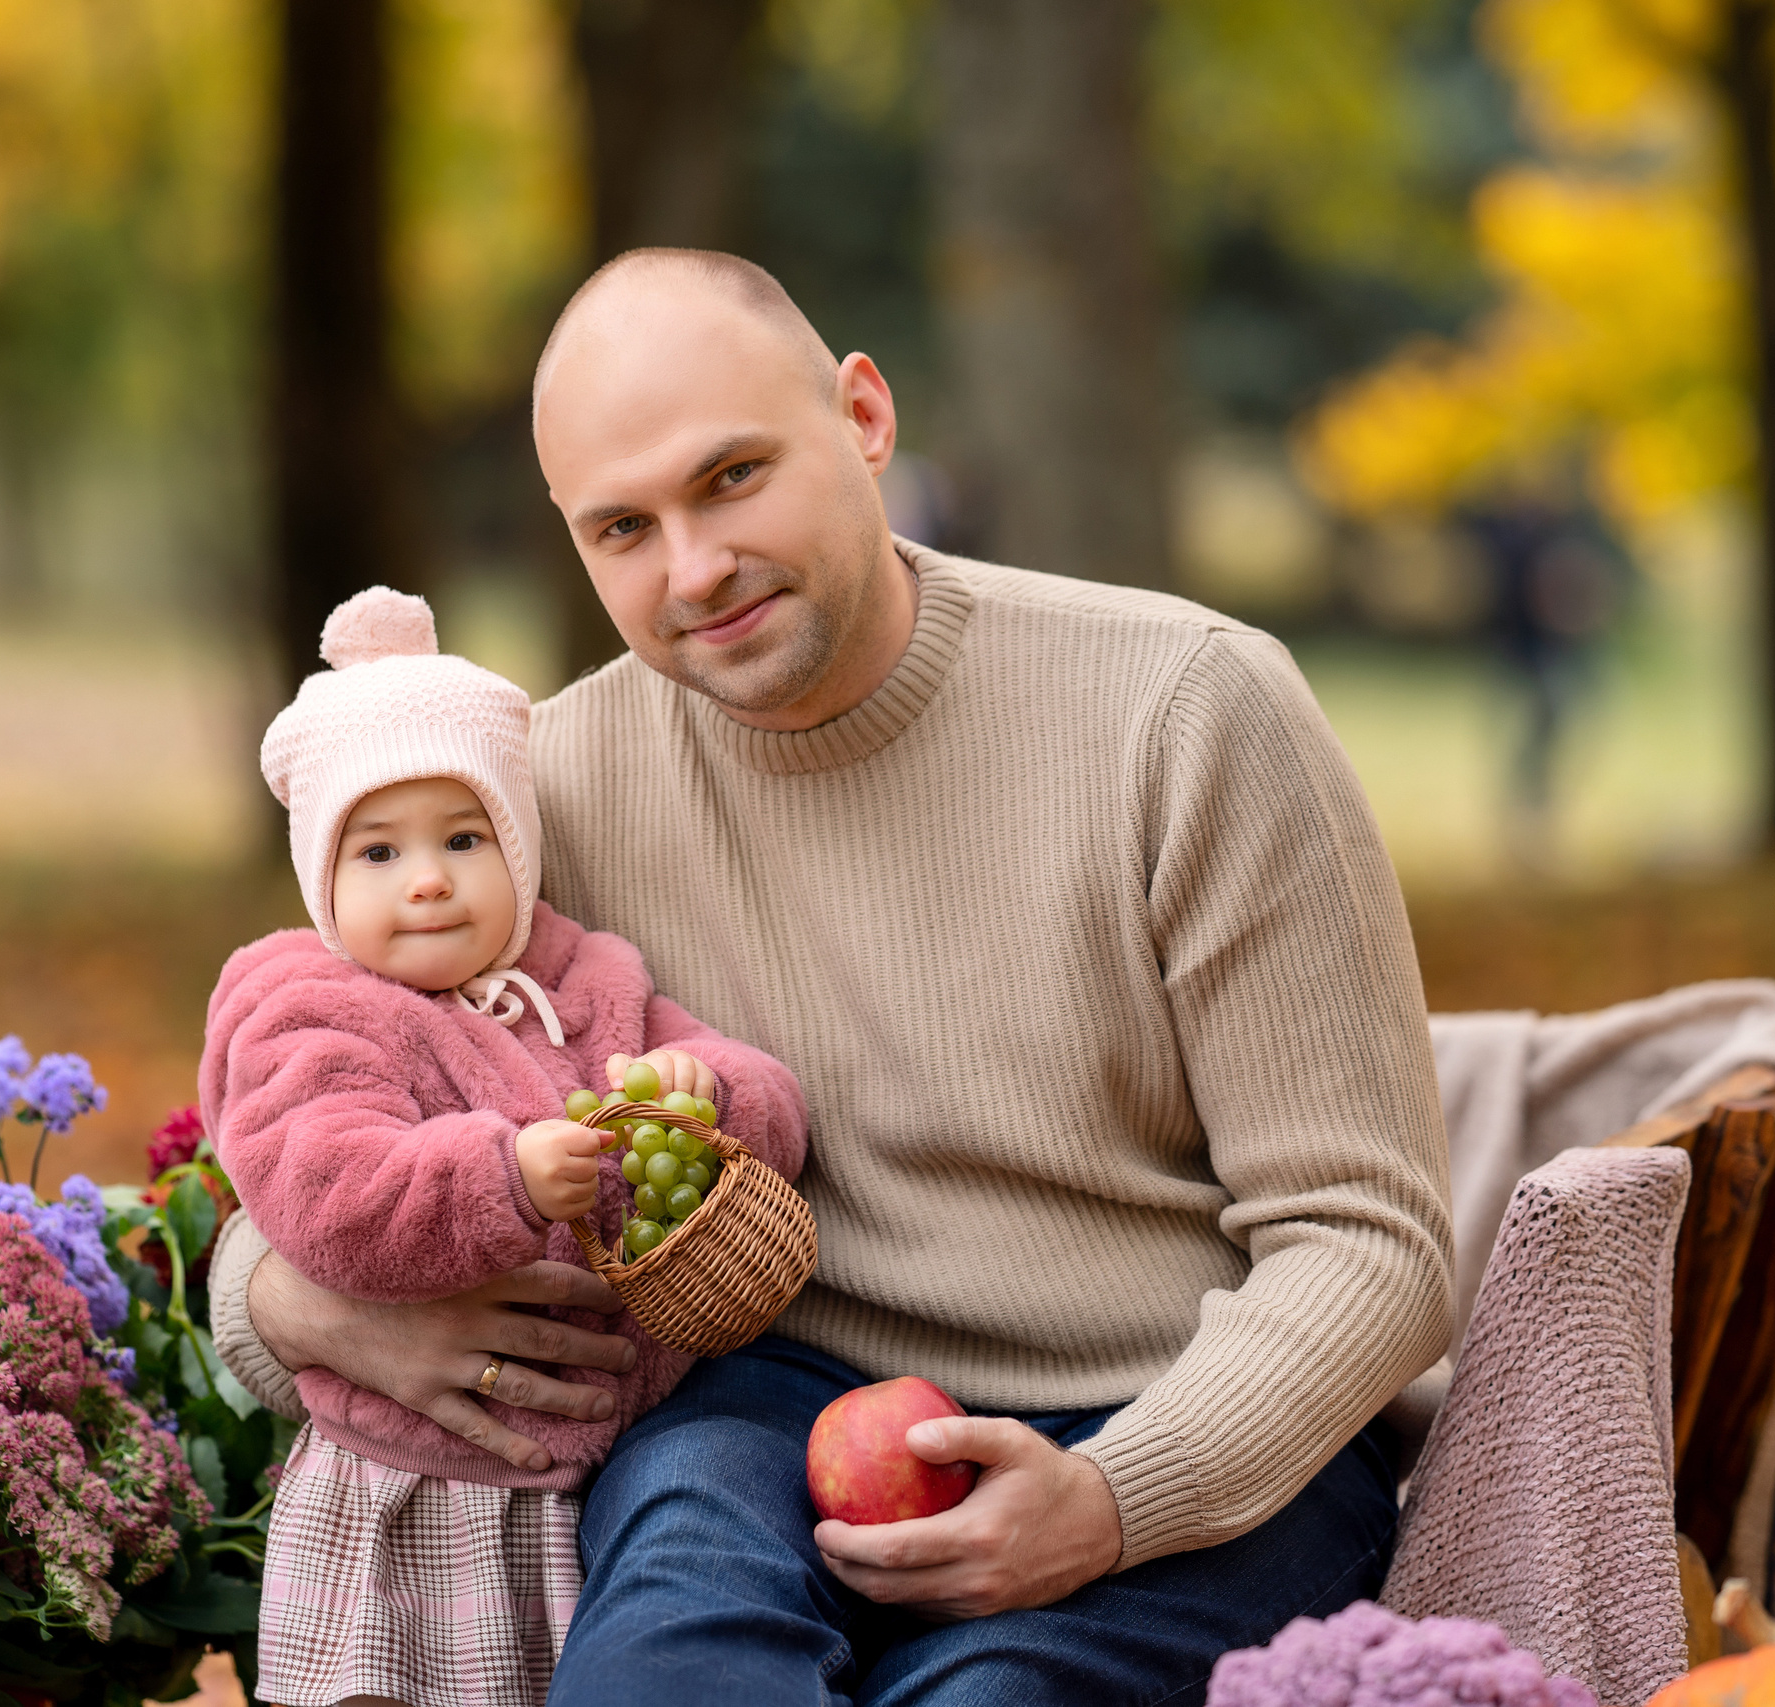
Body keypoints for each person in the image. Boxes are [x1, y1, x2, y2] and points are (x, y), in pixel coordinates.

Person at [207, 248, 1456, 1705]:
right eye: (623, 527)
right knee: (666, 1662)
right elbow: (315, 1103)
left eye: (732, 477)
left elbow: (1372, 1237)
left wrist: (1118, 1493)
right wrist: (293, 1304)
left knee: (989, 1691)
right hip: (762, 1407)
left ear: (865, 416)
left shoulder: (1187, 711)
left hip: (1181, 1414)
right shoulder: (544, 796)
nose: (693, 569)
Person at [213, 584, 808, 1707]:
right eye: (378, 851)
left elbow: (772, 1108)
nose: (428, 877)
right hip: (413, 1482)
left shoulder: (589, 981)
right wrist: (500, 1175)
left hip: (587, 1480)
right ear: (321, 877)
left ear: (518, 848)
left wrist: (706, 1099)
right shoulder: (313, 1012)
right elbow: (326, 1193)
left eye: (462, 836)